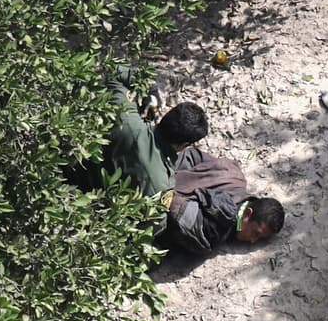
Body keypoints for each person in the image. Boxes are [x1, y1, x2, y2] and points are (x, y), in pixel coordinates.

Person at [64, 66, 207, 206]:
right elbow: (152, 224)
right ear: (184, 145)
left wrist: (151, 91)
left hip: (64, 164)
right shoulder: (161, 183)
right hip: (83, 205)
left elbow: (114, 71)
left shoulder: (125, 117)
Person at [159, 146, 285, 254]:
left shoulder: (234, 174)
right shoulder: (215, 232)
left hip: (159, 172)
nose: (252, 241)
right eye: (255, 233)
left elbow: (190, 155)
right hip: (154, 201)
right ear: (248, 213)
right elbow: (177, 214)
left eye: (259, 238)